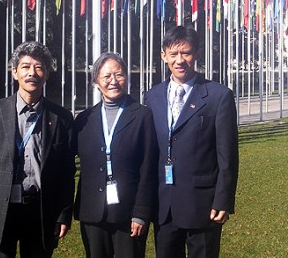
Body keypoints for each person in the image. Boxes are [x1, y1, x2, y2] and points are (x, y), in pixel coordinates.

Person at [0, 41, 75, 258]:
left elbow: (66, 172)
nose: (32, 73)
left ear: (46, 74)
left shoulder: (61, 118)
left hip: (40, 211)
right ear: (15, 72)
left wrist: (63, 214)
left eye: (39, 67)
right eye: (25, 67)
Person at [145, 25, 239, 258]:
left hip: (204, 205)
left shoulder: (219, 96)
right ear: (163, 55)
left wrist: (223, 199)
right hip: (164, 205)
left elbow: (227, 155)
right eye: (174, 54)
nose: (180, 60)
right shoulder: (153, 96)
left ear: (196, 54)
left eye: (186, 53)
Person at [74, 52, 159, 258]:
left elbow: (149, 167)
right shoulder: (84, 120)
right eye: (107, 76)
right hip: (93, 211)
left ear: (127, 78)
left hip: (129, 213)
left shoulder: (142, 116)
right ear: (96, 81)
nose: (113, 81)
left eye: (119, 75)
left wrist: (141, 213)